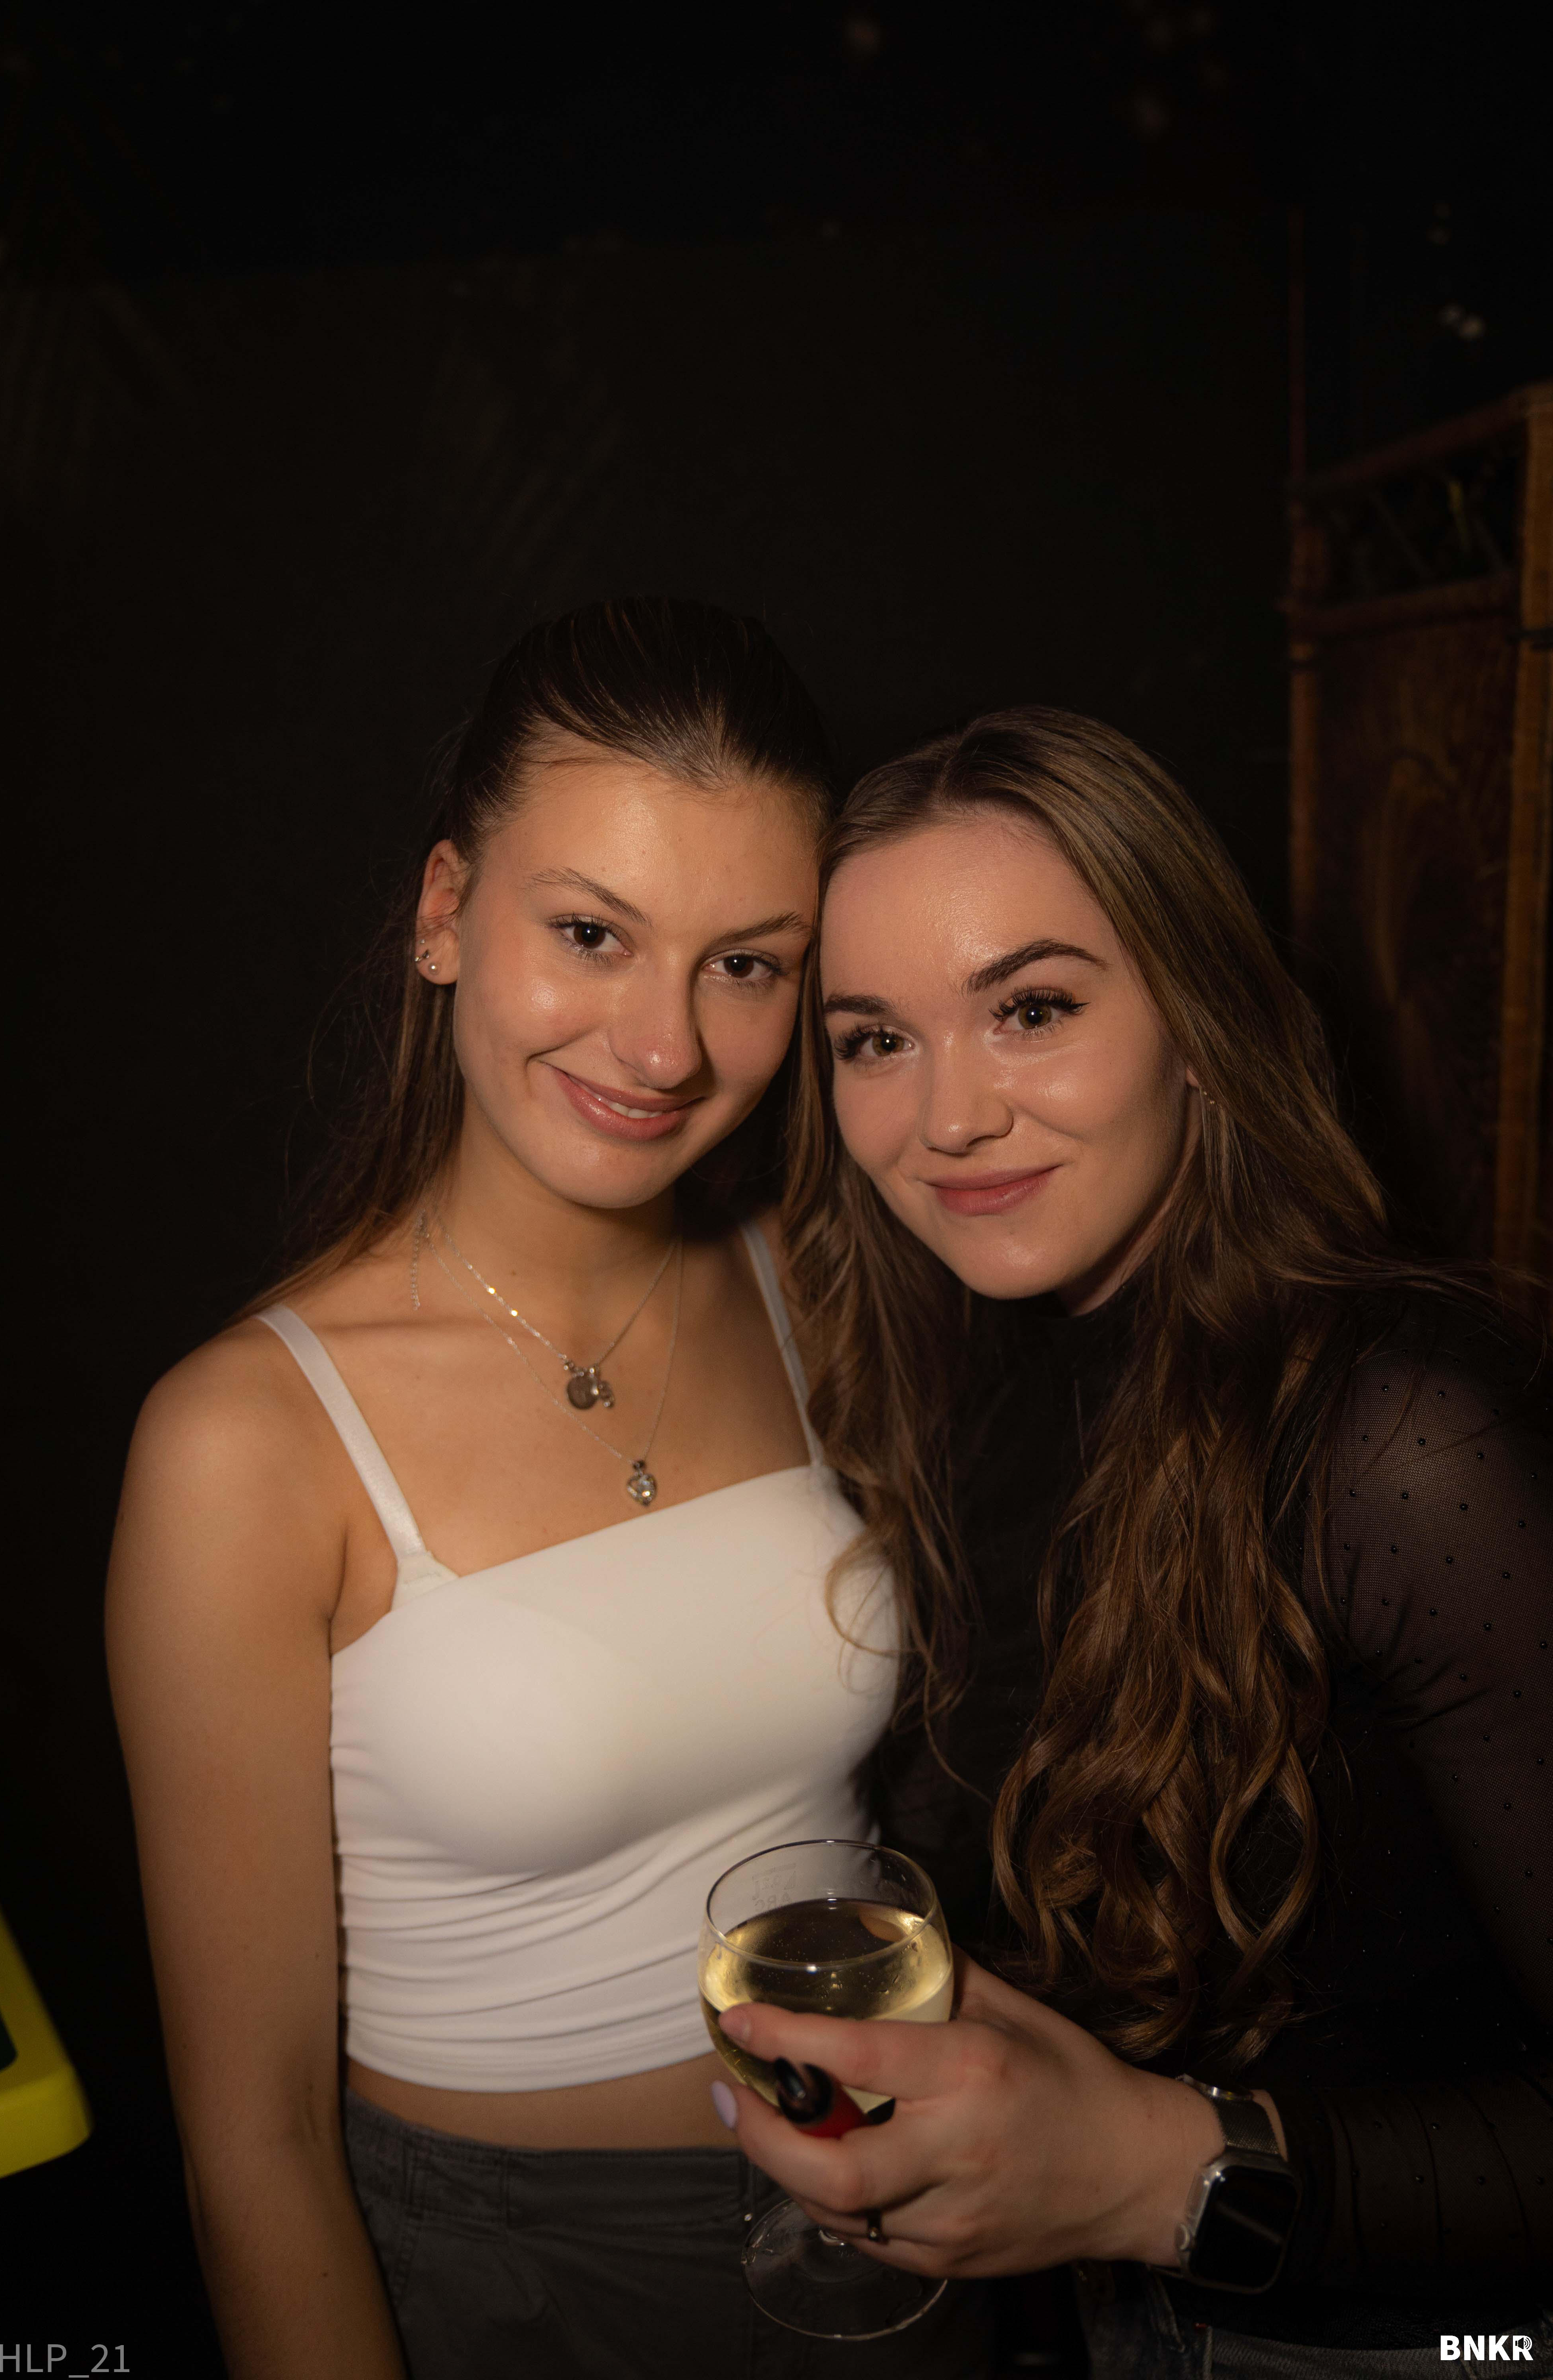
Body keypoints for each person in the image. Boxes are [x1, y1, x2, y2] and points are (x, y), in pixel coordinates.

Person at [106, 600, 996, 2380]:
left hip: (890, 2212)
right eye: (591, 932)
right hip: (508, 2286)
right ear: (445, 912)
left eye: (746, 965)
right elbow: (253, 2152)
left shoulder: (813, 1286)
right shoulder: (244, 1444)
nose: (663, 1047)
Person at [711, 708, 1553, 2376]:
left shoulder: (1402, 1436)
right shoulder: (958, 1366)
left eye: (1031, 1010)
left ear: (1198, 1020)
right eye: (874, 1039)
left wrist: (1164, 2172)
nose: (947, 1118)